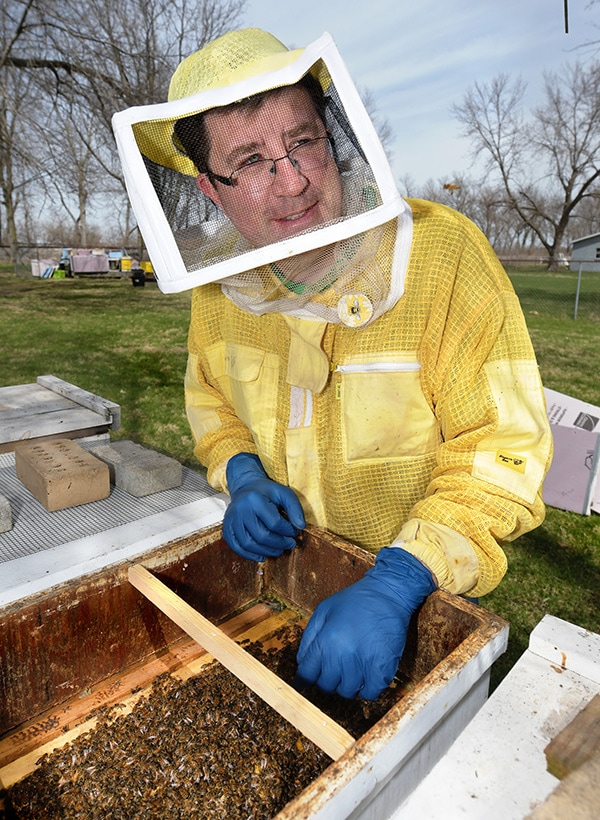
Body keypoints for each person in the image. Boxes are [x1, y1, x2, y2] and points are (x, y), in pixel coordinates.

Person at [116, 28, 553, 701]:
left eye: (303, 142)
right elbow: (213, 401)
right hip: (284, 585)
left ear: (333, 135)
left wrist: (400, 578)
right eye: (253, 160)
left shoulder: (444, 256)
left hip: (414, 597)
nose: (292, 181)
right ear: (210, 188)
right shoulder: (220, 290)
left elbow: (503, 451)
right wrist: (242, 472)